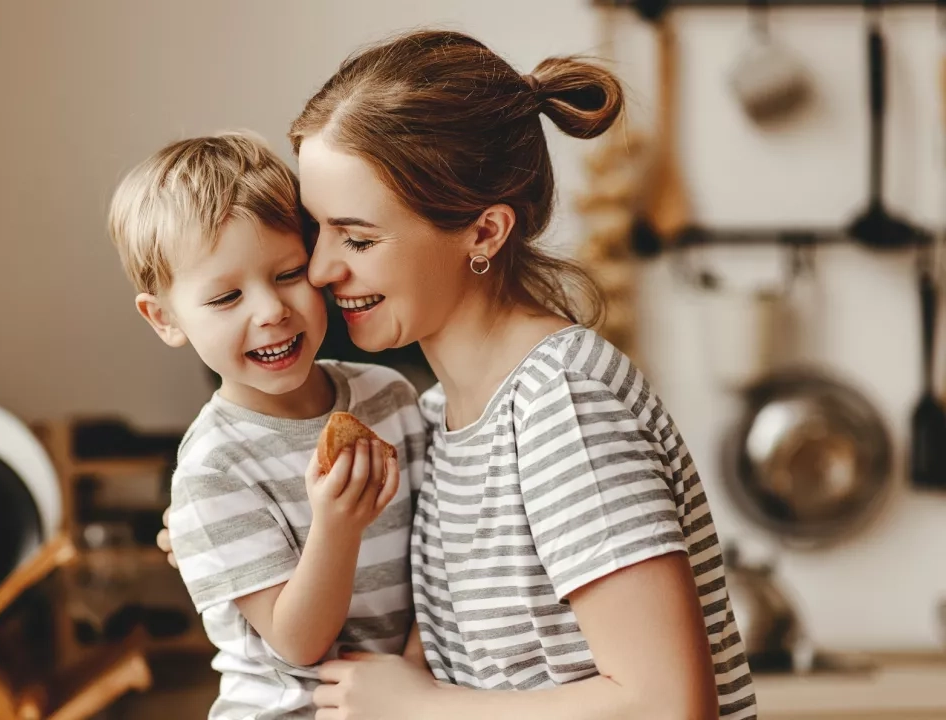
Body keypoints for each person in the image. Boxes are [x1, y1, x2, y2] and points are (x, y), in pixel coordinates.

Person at [157, 30, 757, 720]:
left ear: (484, 233)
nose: (321, 270)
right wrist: (216, 534)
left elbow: (667, 704)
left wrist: (422, 707)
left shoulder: (562, 407)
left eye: (358, 237)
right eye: (317, 231)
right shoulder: (436, 417)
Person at [107, 131, 429, 719]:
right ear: (165, 318)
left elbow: (441, 549)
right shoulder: (213, 468)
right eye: (227, 296)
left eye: (288, 274)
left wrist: (414, 665)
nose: (271, 310)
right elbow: (298, 643)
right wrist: (337, 525)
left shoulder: (392, 398)